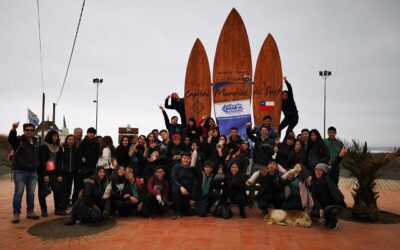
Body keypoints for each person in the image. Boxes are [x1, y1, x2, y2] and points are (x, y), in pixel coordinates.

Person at [8, 122, 40, 223]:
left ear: (34, 131)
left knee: (31, 194)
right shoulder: (19, 140)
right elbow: (11, 139)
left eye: (31, 130)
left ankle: (30, 211)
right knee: (18, 193)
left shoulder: (36, 141)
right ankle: (16, 213)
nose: (29, 132)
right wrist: (13, 129)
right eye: (27, 130)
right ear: (24, 131)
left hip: (33, 172)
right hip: (20, 171)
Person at [311, 163, 346, 230]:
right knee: (315, 212)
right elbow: (315, 198)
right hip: (325, 205)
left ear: (324, 172)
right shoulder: (314, 183)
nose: (317, 172)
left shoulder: (329, 180)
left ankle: (334, 221)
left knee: (328, 209)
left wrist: (339, 157)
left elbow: (334, 168)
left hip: (336, 205)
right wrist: (320, 209)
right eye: (316, 170)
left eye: (320, 170)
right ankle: (327, 219)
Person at [38, 130, 64, 216]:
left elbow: (59, 162)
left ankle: (57, 209)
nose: (56, 138)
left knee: (57, 189)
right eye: (54, 136)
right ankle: (43, 209)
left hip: (54, 172)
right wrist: (45, 174)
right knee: (42, 191)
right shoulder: (44, 146)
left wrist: (59, 174)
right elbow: (42, 161)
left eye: (57, 136)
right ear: (50, 136)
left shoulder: (58, 147)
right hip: (44, 172)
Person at [75, 127, 99, 203]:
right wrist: (80, 167)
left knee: (91, 187)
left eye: (93, 133)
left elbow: (97, 155)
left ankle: (89, 202)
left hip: (92, 169)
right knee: (81, 187)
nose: (91, 134)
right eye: (90, 133)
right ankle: (77, 203)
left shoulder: (96, 143)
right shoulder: (83, 143)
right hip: (84, 169)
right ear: (87, 133)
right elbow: (79, 155)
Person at [171, 152, 196, 219]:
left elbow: (194, 183)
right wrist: (181, 187)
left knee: (187, 212)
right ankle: (176, 212)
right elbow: (173, 179)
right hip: (178, 187)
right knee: (175, 189)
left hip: (188, 189)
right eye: (184, 158)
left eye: (187, 158)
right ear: (181, 159)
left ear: (190, 160)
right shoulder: (176, 167)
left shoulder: (192, 169)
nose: (186, 160)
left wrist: (192, 198)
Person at [57, 134, 78, 211]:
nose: (71, 141)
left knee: (69, 190)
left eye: (72, 140)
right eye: (69, 139)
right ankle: (61, 207)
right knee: (63, 190)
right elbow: (59, 162)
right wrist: (59, 174)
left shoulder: (75, 149)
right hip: (63, 173)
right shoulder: (62, 148)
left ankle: (65, 206)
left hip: (71, 172)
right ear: (66, 140)